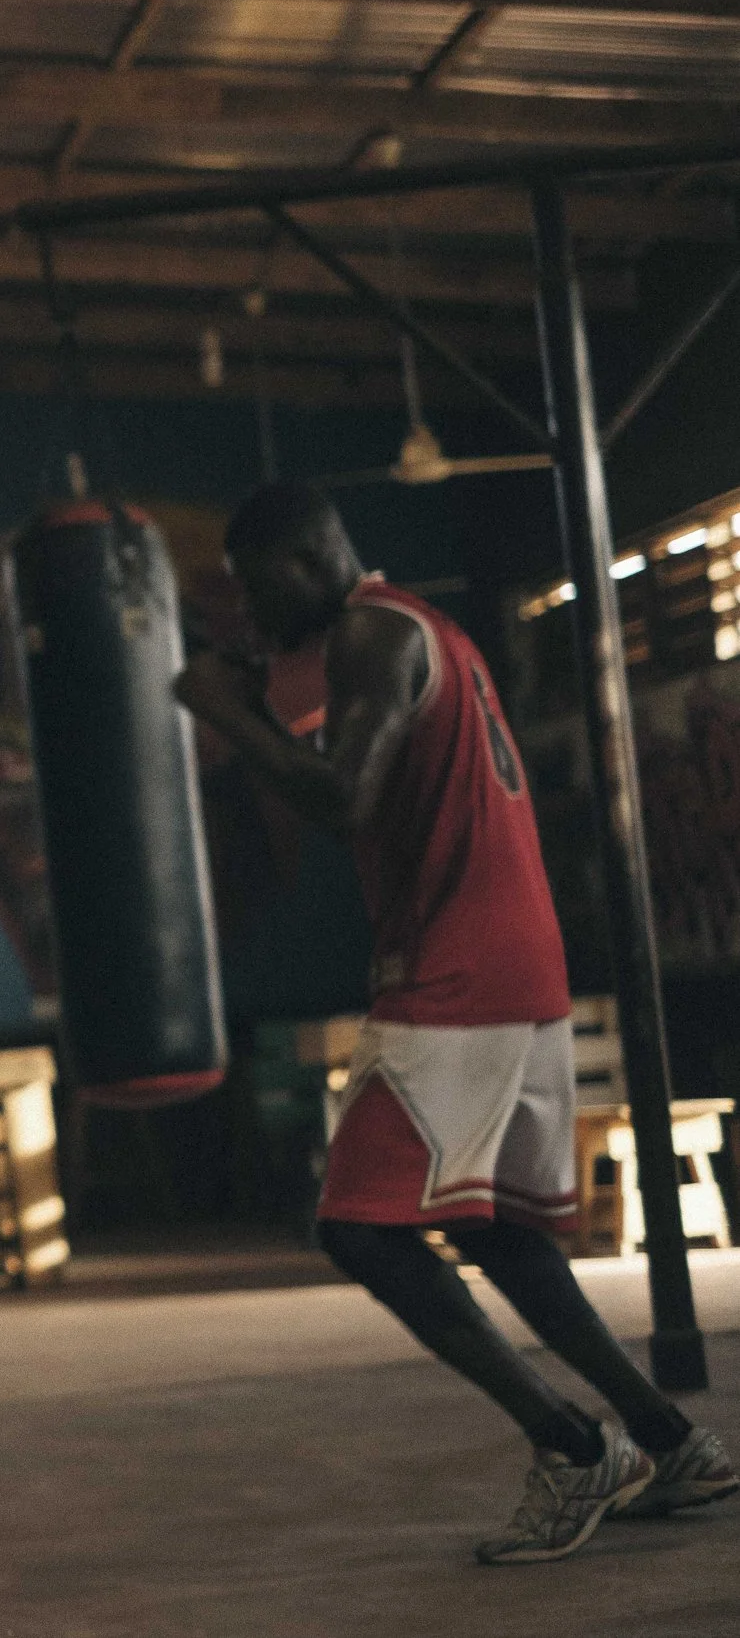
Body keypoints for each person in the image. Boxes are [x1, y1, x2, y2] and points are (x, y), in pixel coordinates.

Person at [174, 480, 736, 1565]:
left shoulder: (372, 637)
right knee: (493, 1231)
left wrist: (215, 707)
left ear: (300, 563)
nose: (247, 617)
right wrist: (256, 692)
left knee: (356, 1225)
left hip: (455, 966)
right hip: (511, 958)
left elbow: (339, 795)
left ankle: (574, 1445)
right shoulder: (412, 627)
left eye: (251, 592)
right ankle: (671, 1438)